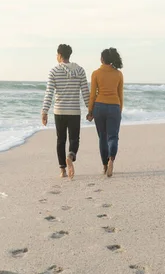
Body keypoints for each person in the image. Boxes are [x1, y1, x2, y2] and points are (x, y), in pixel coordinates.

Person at [42, 44, 90, 179]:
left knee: (60, 140)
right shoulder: (80, 71)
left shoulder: (54, 71)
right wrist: (90, 109)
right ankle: (71, 155)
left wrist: (44, 111)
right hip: (74, 111)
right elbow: (85, 92)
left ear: (59, 55)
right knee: (74, 139)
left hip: (59, 111)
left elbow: (49, 93)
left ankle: (62, 170)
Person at [87, 48, 124, 177]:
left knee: (102, 137)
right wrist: (119, 110)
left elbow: (92, 95)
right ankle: (111, 160)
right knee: (113, 136)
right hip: (114, 106)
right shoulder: (118, 74)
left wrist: (90, 110)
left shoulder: (96, 73)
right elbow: (120, 95)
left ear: (101, 59)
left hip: (99, 107)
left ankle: (104, 165)